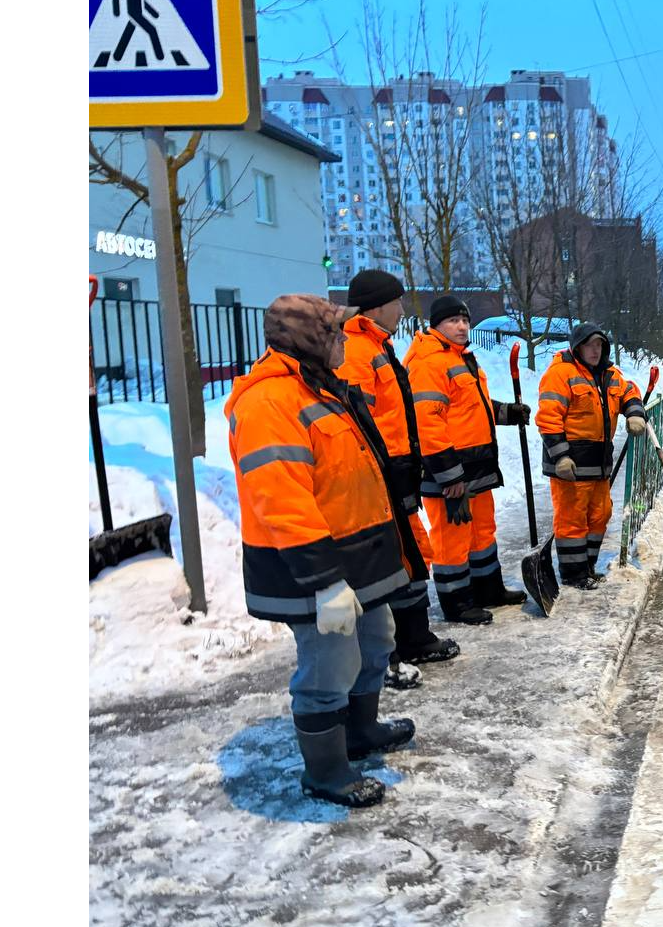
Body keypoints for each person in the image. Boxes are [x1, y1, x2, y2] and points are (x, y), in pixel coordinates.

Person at [226, 294, 416, 809]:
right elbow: (281, 500)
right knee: (330, 662)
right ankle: (327, 769)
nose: (344, 344)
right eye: (334, 334)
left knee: (377, 641)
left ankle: (361, 730)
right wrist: (325, 581)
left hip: (359, 556)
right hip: (312, 567)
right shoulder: (269, 403)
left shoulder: (319, 386)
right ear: (306, 341)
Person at [339, 269, 460, 689]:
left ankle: (413, 636)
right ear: (376, 305)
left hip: (399, 470)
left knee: (410, 552)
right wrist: (385, 470)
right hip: (382, 474)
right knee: (394, 559)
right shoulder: (357, 350)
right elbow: (359, 420)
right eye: (397, 301)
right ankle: (394, 647)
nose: (402, 309)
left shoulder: (379, 346)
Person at [405, 296, 530, 624]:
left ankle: (488, 589)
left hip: (475, 470)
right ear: (437, 325)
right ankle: (457, 603)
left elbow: (474, 407)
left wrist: (507, 412)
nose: (462, 326)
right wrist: (449, 478)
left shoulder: (461, 358)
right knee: (452, 541)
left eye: (465, 320)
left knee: (482, 532)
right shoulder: (429, 363)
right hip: (450, 475)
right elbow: (427, 423)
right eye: (453, 321)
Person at [535, 322, 646, 588]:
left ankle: (587, 567)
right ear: (577, 347)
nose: (595, 351)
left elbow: (629, 390)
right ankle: (573, 575)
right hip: (570, 466)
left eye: (599, 345)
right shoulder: (561, 374)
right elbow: (548, 417)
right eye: (589, 345)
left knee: (600, 515)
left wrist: (634, 413)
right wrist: (560, 455)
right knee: (572, 519)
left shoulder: (609, 374)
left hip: (598, 465)